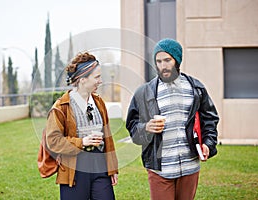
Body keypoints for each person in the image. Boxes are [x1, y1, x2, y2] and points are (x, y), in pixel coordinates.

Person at [126, 38, 219, 200]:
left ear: (177, 60)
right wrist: (146, 127)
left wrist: (208, 144)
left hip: (190, 166)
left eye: (167, 60)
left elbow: (210, 120)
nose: (163, 66)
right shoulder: (144, 92)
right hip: (160, 169)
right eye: (158, 61)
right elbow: (133, 127)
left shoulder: (195, 88)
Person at [45, 52, 118, 200]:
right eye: (97, 77)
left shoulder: (99, 103)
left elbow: (108, 138)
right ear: (83, 79)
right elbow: (52, 141)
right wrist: (82, 142)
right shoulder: (61, 106)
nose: (100, 81)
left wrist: (112, 168)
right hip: (74, 169)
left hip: (100, 166)